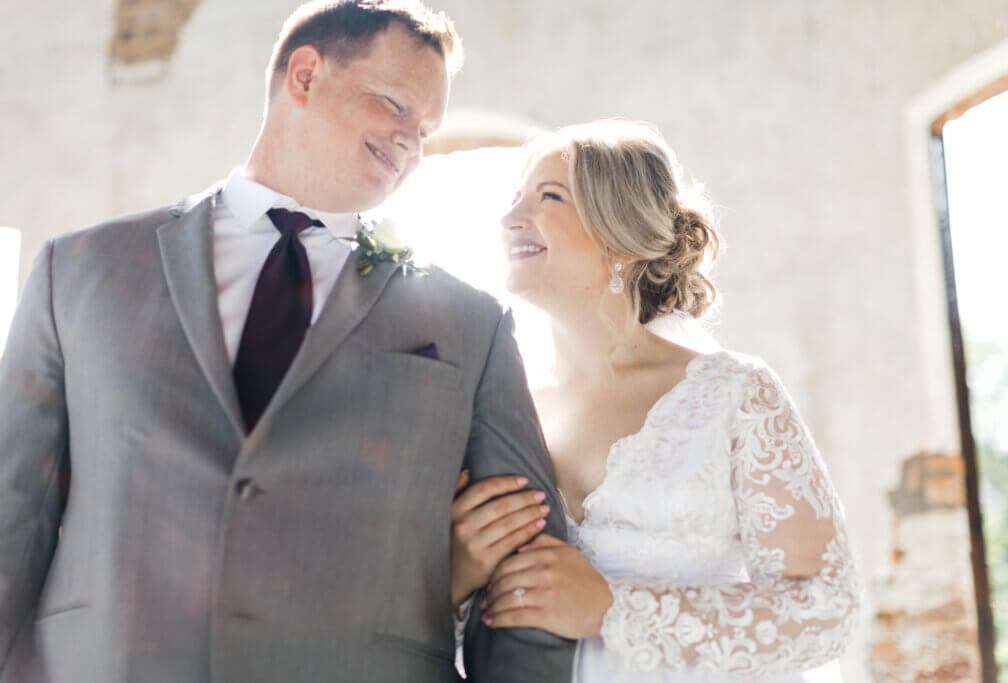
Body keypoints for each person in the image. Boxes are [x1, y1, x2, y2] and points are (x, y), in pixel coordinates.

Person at [0, 2, 575, 681]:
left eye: (425, 130)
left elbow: (531, 575)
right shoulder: (80, 271)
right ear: (304, 77)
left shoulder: (468, 322)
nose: (410, 144)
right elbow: (12, 517)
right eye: (394, 105)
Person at [450, 119, 860, 681]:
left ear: (618, 235)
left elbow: (826, 609)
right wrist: (457, 577)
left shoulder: (732, 396)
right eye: (514, 199)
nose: (509, 218)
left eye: (548, 196)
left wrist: (613, 609)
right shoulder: (502, 411)